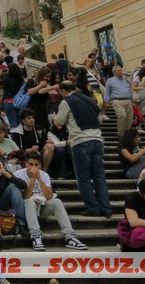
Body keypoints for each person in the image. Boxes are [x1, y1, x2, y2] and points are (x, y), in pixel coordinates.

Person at [55, 80, 112, 218]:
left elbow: (58, 123)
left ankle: (92, 207)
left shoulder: (66, 102)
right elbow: (99, 120)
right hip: (97, 140)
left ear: (63, 91)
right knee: (99, 176)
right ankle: (106, 208)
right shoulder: (90, 100)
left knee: (83, 177)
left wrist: (54, 117)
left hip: (81, 141)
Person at [14, 151, 87, 251]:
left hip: (41, 208)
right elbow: (25, 196)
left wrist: (39, 179)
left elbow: (49, 196)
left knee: (57, 202)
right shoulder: (18, 175)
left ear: (40, 164)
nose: (33, 167)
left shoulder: (44, 175)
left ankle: (70, 236)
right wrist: (32, 179)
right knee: (29, 200)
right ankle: (35, 235)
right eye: (31, 164)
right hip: (26, 210)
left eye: (36, 164)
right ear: (26, 164)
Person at [104, 66, 134, 137]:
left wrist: (132, 100)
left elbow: (130, 91)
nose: (121, 72)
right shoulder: (110, 81)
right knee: (122, 116)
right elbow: (107, 91)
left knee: (130, 118)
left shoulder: (126, 80)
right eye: (118, 70)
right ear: (114, 72)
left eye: (121, 70)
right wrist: (106, 101)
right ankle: (121, 133)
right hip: (117, 100)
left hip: (128, 100)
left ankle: (127, 132)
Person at [0, 63, 24, 128]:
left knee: (12, 122)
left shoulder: (9, 79)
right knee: (19, 123)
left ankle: (14, 137)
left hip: (9, 102)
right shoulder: (20, 79)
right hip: (18, 102)